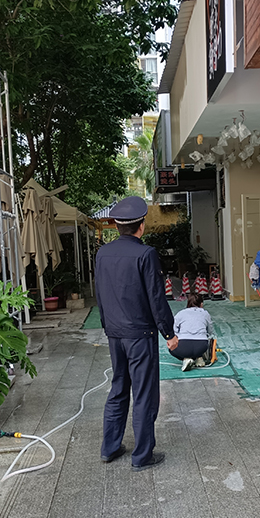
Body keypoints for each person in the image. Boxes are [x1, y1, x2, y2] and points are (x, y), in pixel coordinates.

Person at [95, 196, 177, 472]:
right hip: (140, 334)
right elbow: (156, 297)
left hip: (115, 333)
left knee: (118, 388)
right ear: (141, 225)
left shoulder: (102, 254)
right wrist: (169, 332)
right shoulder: (146, 254)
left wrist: (107, 325)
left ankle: (110, 448)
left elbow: (100, 294)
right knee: (143, 394)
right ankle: (142, 455)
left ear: (117, 226)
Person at [170, 293, 215, 372]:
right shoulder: (205, 313)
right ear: (201, 304)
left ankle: (186, 359)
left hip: (183, 345)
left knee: (171, 347)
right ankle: (199, 358)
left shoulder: (181, 313)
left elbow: (173, 329)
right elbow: (210, 331)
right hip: (201, 346)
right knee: (201, 341)